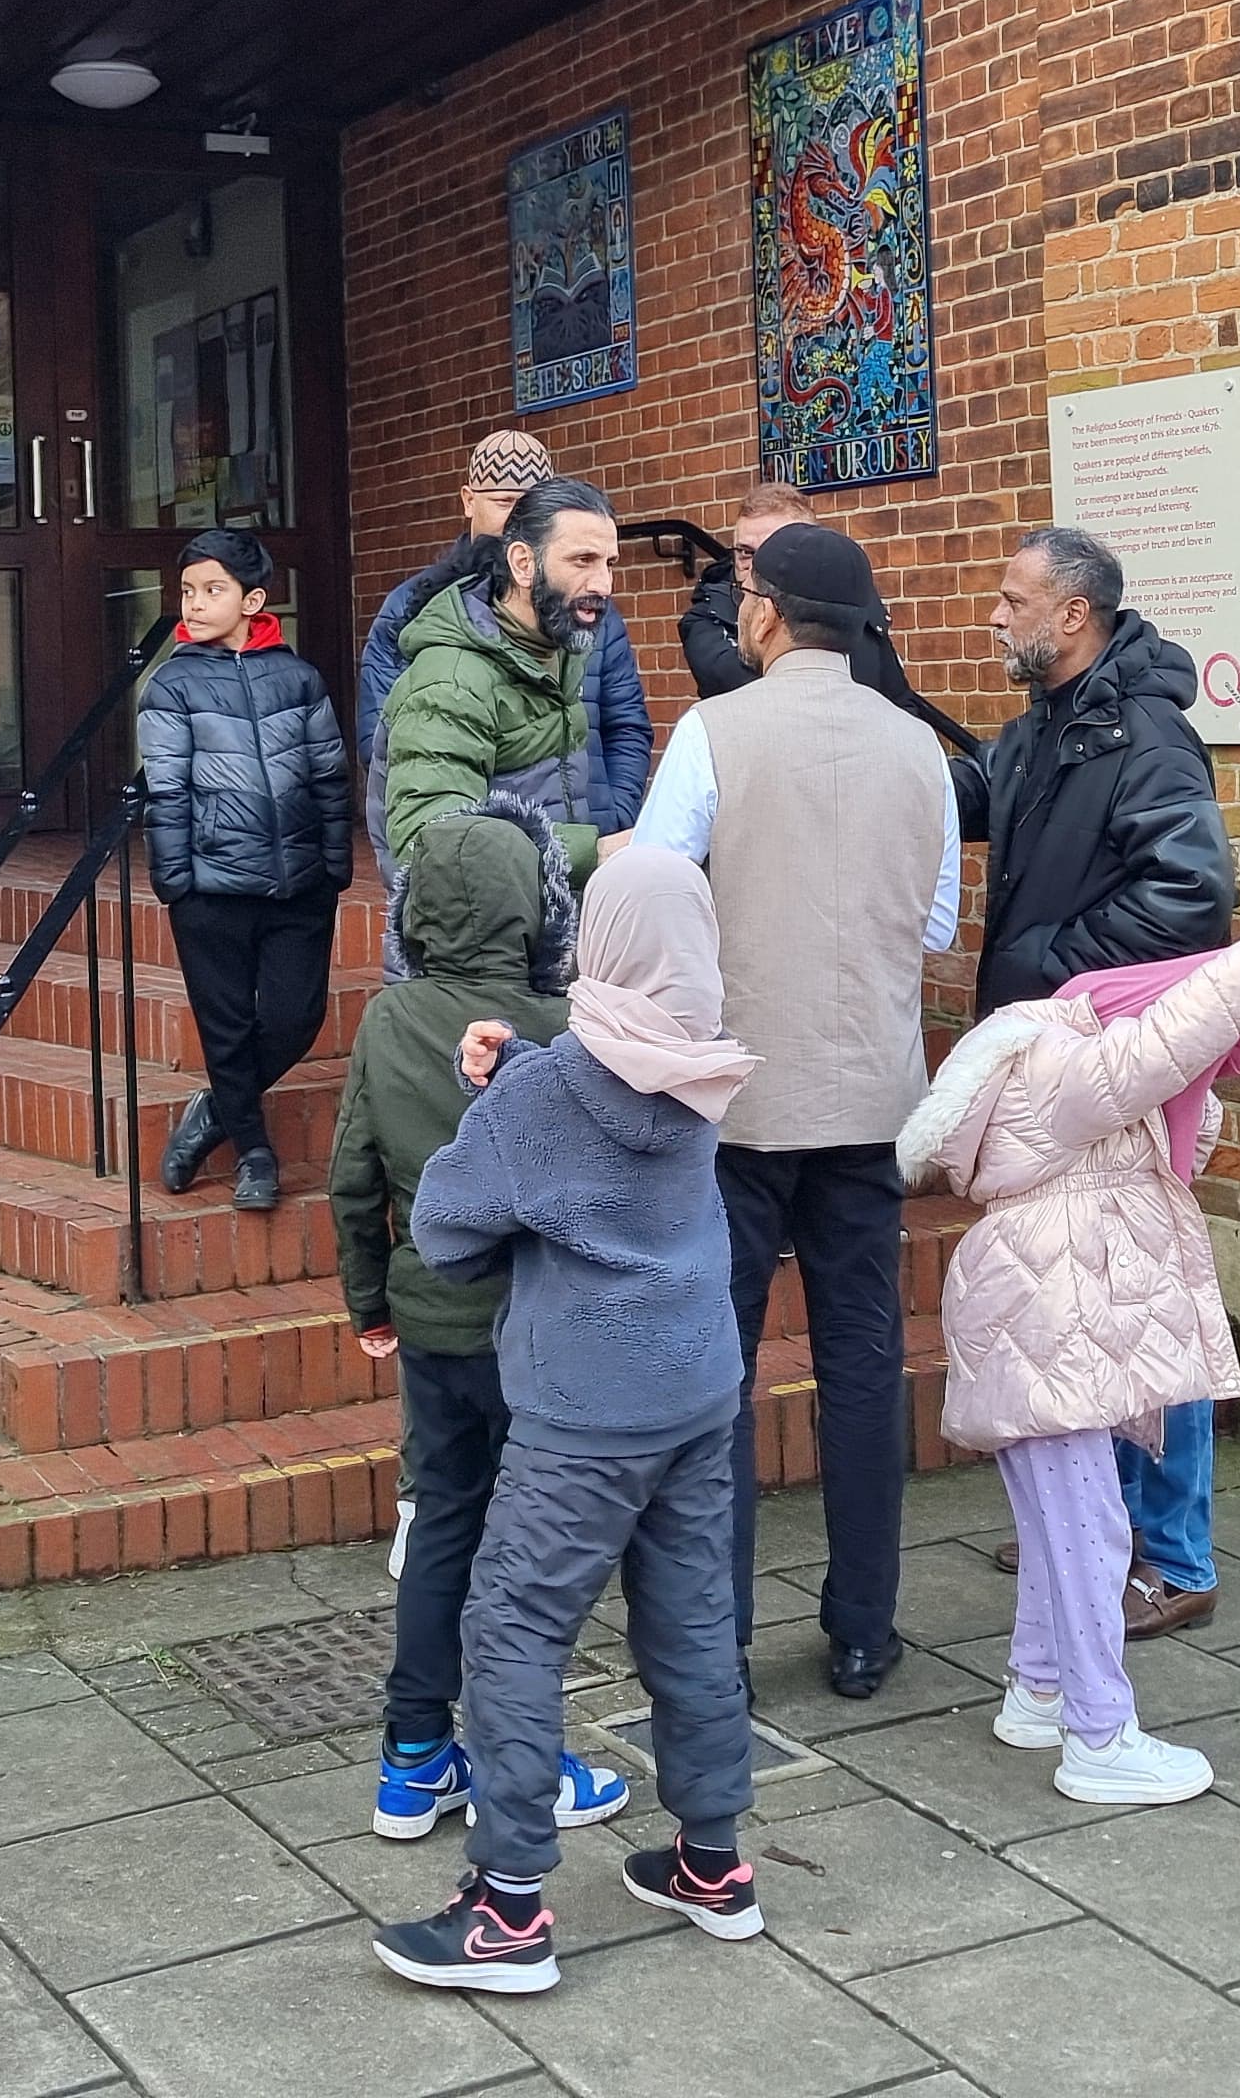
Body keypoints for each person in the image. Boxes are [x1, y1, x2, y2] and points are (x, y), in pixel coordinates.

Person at [374, 848, 769, 1994]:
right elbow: (614, 1098)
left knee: (512, 1631)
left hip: (581, 1413)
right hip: (696, 1388)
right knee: (693, 1623)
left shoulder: (546, 1096)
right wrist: (521, 1072)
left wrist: (494, 1095)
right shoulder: (705, 1065)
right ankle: (710, 1863)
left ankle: (503, 1913)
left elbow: (447, 1229)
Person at [627, 522, 957, 1700]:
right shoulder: (920, 747)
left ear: (765, 614)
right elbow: (931, 925)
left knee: (720, 1370)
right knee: (864, 1362)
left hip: (737, 1099)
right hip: (870, 1094)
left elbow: (659, 891)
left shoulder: (712, 730)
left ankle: (712, 1634)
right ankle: (864, 1627)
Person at [902, 915, 1240, 1802]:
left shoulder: (1075, 1089)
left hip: (1046, 1325)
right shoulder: (1061, 1060)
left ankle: (1039, 1689)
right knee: (1092, 1536)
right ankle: (1099, 1736)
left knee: (1064, 1533)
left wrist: (1199, 1076)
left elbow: (1179, 1133)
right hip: (1048, 1324)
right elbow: (1160, 1048)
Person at [328, 807, 633, 1846]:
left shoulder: (385, 1019)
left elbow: (351, 1174)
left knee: (439, 1526)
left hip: (431, 1326)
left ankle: (411, 1762)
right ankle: (526, 1761)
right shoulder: (560, 1032)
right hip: (535, 1333)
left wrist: (369, 1301)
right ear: (537, 908)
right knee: (524, 1554)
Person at [960, 526, 1240, 1639]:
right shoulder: (1041, 730)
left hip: (1111, 1062)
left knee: (1142, 1302)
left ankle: (1174, 1557)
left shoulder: (1147, 739)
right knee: (1081, 1301)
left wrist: (1048, 968)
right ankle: (1093, 1529)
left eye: (1011, 597)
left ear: (1071, 615)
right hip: (1057, 1057)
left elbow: (1189, 894)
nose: (995, 614)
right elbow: (978, 804)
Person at [138, 529, 352, 1214]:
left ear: (253, 600)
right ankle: (254, 1153)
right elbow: (166, 791)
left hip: (300, 884)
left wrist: (335, 866)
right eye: (187, 592)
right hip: (212, 890)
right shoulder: (172, 683)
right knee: (226, 1025)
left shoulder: (298, 677)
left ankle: (214, 1109)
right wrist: (177, 883)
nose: (195, 605)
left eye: (213, 591)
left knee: (295, 1017)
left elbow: (328, 774)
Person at [360, 432, 650, 836]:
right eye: (505, 502)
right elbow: (402, 763)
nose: (519, 518)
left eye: (533, 503)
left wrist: (611, 820)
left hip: (588, 848)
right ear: (468, 500)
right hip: (492, 875)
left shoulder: (589, 609)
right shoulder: (416, 611)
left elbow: (626, 724)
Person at [379, 477, 630, 892]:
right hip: (482, 941)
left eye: (610, 563)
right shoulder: (453, 679)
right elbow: (431, 841)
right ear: (523, 563)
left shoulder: (562, 651)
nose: (603, 584)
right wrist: (594, 852)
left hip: (547, 919)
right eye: (583, 560)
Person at [677, 481, 938, 726]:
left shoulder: (851, 608)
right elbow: (765, 704)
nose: (757, 566)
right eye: (745, 552)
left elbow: (900, 703)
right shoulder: (709, 618)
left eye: (775, 550)